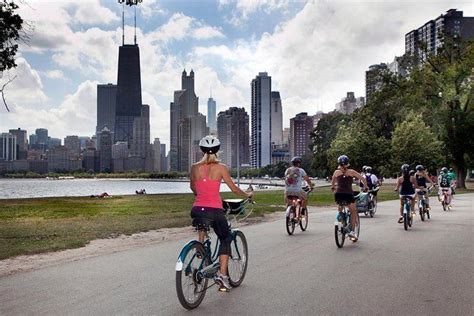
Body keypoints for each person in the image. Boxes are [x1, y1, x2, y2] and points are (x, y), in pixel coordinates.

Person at [190, 135, 252, 292]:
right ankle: (222, 276)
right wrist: (247, 195)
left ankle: (200, 246)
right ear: (218, 150)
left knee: (203, 220)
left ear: (201, 150)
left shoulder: (194, 167)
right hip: (215, 210)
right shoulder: (221, 167)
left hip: (197, 209)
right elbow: (234, 188)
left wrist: (203, 195)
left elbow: (193, 188)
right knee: (225, 238)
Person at [331, 155, 368, 241]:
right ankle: (351, 231)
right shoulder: (351, 172)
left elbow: (333, 183)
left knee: (340, 205)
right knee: (353, 211)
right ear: (347, 163)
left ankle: (340, 217)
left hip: (338, 194)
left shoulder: (336, 172)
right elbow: (363, 178)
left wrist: (333, 188)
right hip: (348, 194)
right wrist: (365, 187)